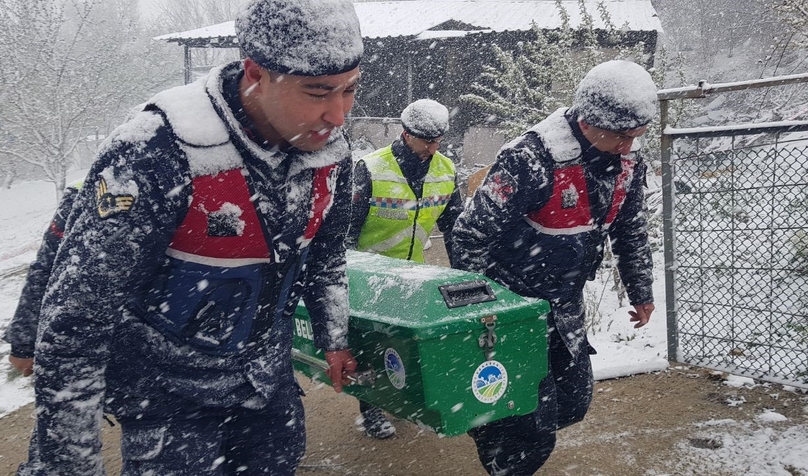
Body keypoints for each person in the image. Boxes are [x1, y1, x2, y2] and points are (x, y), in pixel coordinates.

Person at [19, 1, 362, 474]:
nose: (338, 115)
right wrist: (68, 464)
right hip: (168, 396)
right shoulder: (155, 150)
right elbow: (76, 322)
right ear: (256, 73)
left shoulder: (330, 151)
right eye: (318, 92)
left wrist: (334, 336)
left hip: (266, 385)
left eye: (350, 89)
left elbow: (325, 257)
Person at [450, 60, 657, 475]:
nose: (628, 146)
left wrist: (641, 290)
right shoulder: (529, 159)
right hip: (512, 306)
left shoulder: (627, 162)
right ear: (588, 120)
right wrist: (478, 313)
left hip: (564, 304)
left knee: (572, 403)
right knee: (528, 425)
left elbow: (630, 228)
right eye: (621, 136)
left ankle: (500, 428)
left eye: (636, 136)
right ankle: (501, 446)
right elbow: (469, 235)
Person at [346, 99, 463, 438]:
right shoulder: (371, 169)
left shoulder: (446, 170)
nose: (433, 148)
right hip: (371, 276)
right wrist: (348, 275)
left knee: (407, 345)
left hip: (414, 275)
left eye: (438, 140)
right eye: (427, 141)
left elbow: (456, 229)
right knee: (369, 345)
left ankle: (399, 400)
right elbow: (348, 230)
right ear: (406, 134)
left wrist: (463, 274)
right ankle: (371, 408)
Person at [4, 181, 82, 378]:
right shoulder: (84, 193)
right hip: (90, 335)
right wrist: (24, 343)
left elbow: (45, 268)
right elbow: (47, 267)